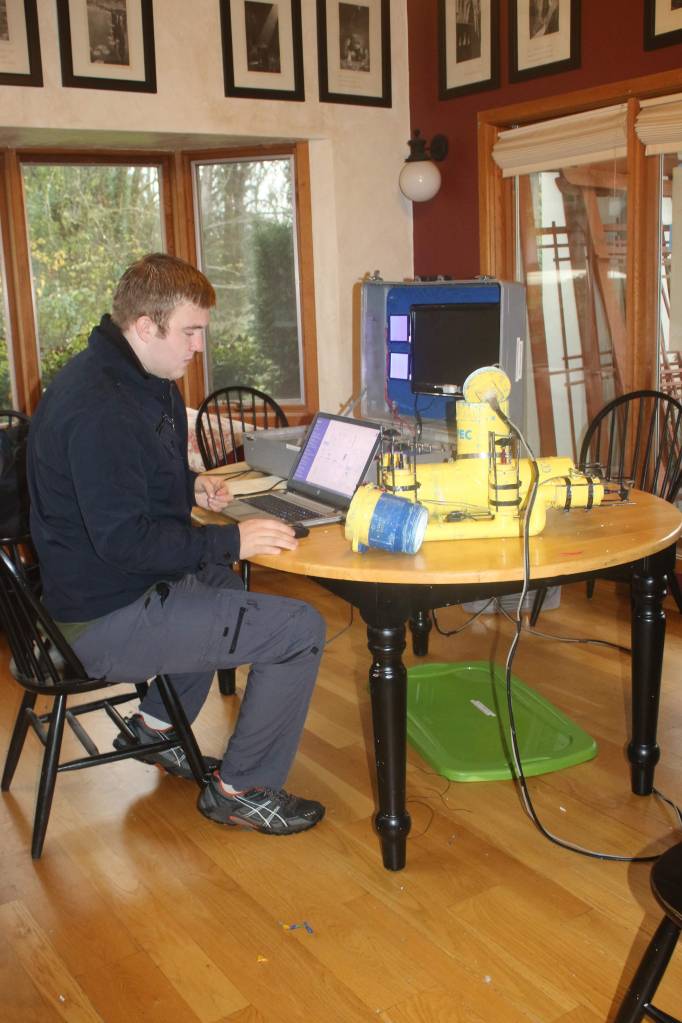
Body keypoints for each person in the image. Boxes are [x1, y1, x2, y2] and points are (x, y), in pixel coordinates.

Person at [27, 252, 326, 835]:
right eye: (190, 332)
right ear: (145, 326)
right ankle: (243, 791)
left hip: (115, 587)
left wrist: (192, 486)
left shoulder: (143, 379)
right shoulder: (100, 407)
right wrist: (231, 539)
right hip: (101, 618)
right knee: (299, 630)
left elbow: (127, 482)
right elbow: (125, 541)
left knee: (219, 587)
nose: (198, 347)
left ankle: (157, 728)